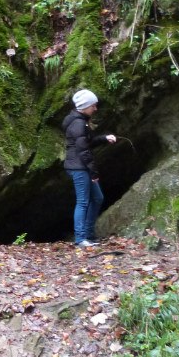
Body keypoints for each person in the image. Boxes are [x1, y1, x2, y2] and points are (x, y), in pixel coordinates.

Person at [63, 89, 116, 247]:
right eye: (93, 105)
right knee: (83, 202)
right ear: (85, 106)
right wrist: (93, 172)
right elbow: (83, 151)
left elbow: (88, 141)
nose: (95, 108)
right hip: (79, 167)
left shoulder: (81, 120)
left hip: (81, 165)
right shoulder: (78, 123)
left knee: (98, 198)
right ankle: (80, 239)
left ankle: (88, 234)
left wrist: (104, 138)